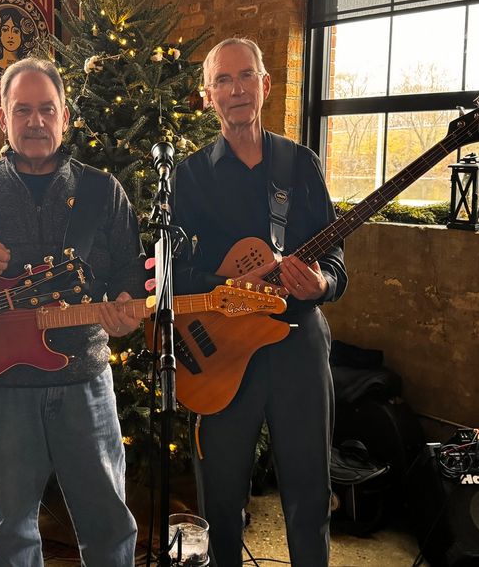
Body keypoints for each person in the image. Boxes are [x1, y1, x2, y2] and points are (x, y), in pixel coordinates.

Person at [0, 56, 143, 566]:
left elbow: (130, 271)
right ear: (3, 118)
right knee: (11, 534)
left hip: (85, 381)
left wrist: (126, 310)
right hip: (0, 389)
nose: (35, 121)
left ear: (65, 116)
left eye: (47, 109)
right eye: (23, 110)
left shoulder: (102, 191)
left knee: (108, 527)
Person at [171, 38, 348, 566]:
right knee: (221, 498)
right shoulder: (189, 176)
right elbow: (169, 272)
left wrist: (322, 285)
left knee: (309, 491)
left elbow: (334, 252)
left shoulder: (300, 165)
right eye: (223, 80)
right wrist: (224, 288)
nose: (236, 90)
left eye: (246, 76)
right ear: (208, 96)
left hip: (297, 345)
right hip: (221, 354)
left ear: (265, 85)